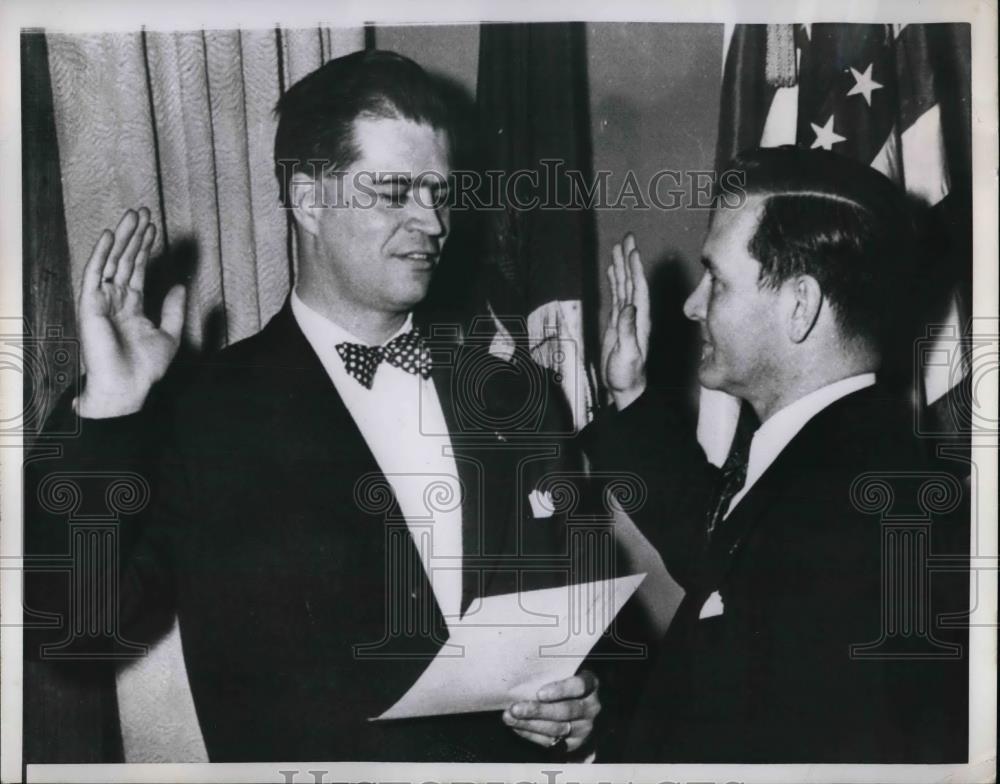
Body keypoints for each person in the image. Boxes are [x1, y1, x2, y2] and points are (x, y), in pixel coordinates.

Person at [25, 49, 601, 762]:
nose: (432, 221)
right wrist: (111, 406)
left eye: (439, 192)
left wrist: (581, 705)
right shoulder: (202, 414)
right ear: (308, 200)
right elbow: (69, 629)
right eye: (394, 191)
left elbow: (574, 630)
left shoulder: (517, 396)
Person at [584, 146, 968, 763]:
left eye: (717, 280)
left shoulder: (841, 515)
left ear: (800, 306)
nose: (691, 304)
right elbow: (725, 553)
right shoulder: (842, 465)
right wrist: (630, 395)